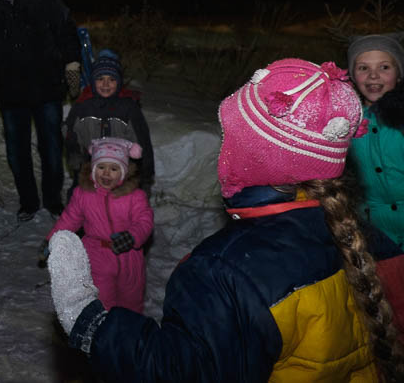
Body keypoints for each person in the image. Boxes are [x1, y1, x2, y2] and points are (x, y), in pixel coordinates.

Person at [47, 58, 404, 382]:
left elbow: (178, 371)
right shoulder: (368, 239)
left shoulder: (224, 272)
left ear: (259, 159)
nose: (224, 151)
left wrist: (89, 323)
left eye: (232, 139)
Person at [0, 0, 82, 221]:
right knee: (17, 151)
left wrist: (72, 63)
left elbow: (66, 29)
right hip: (10, 92)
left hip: (47, 87)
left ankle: (52, 199)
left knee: (51, 147)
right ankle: (28, 202)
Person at [45, 137, 153, 313]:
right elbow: (69, 219)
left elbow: (144, 221)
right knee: (102, 303)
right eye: (101, 167)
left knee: (131, 303)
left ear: (124, 172)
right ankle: (104, 327)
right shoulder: (83, 194)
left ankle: (129, 329)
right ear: (93, 169)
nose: (106, 174)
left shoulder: (135, 196)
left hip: (129, 258)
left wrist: (132, 236)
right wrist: (52, 241)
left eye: (114, 169)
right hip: (96, 256)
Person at [65, 49, 154, 198]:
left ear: (119, 82)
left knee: (125, 202)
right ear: (93, 81)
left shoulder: (128, 108)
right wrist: (74, 155)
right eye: (100, 79)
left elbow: (143, 143)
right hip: (91, 168)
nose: (106, 84)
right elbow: (71, 135)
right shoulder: (82, 107)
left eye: (112, 79)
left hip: (121, 171)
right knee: (80, 199)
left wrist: (145, 178)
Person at [348, 34, 404, 248]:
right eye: (363, 68)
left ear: (399, 74)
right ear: (353, 76)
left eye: (384, 67)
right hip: (373, 232)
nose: (373, 76)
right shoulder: (345, 122)